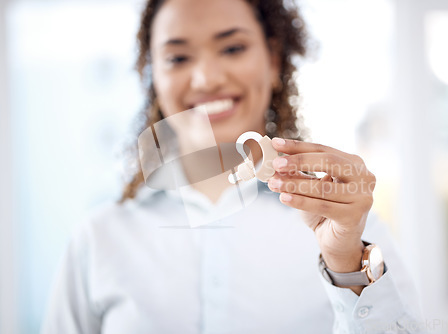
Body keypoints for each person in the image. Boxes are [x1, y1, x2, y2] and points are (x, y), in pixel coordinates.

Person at [42, 0, 423, 333]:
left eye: (233, 47)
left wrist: (345, 266)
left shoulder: (344, 223)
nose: (207, 78)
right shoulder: (99, 239)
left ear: (273, 60)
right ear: (152, 73)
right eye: (177, 57)